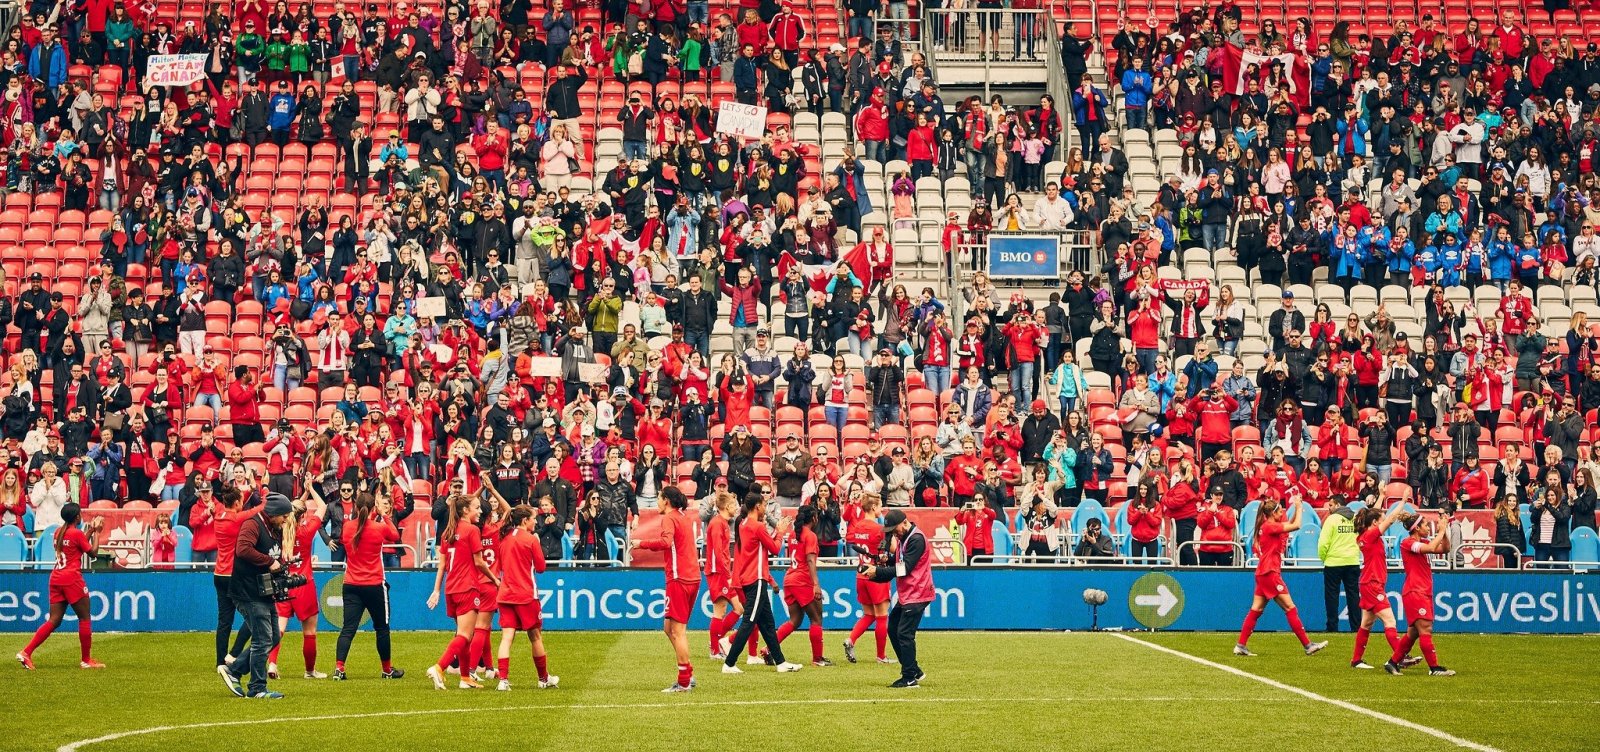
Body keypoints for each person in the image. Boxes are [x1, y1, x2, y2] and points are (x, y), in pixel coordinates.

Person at [218, 493, 294, 700]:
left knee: (274, 636)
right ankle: (257, 688)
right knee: (262, 639)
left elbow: (272, 556)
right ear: (273, 513)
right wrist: (269, 561)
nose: (286, 520)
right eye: (284, 516)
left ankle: (234, 670)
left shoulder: (273, 528)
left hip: (264, 592)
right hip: (247, 591)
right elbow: (242, 549)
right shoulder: (252, 525)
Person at [1233, 498, 1328, 657]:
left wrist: (1295, 511)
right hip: (1270, 573)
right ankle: (1308, 645)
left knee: (1256, 609)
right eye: (1280, 511)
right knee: (1290, 607)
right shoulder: (1270, 527)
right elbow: (1296, 525)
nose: (1282, 513)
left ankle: (1240, 645)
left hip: (1262, 573)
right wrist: (1298, 508)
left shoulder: (1267, 526)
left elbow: (1288, 526)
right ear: (1272, 513)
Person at [15, 503, 105, 670]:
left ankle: (26, 652)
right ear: (77, 517)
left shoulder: (58, 532)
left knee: (54, 620)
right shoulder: (75, 533)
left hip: (56, 577)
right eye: (80, 514)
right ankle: (86, 660)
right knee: (84, 618)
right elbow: (93, 553)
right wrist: (98, 533)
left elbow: (76, 543)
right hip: (71, 578)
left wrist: (91, 531)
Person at [721, 492, 802, 674]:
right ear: (757, 506)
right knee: (749, 622)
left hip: (753, 578)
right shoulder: (757, 526)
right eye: (764, 504)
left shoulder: (743, 524)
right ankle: (729, 663)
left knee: (767, 624)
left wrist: (774, 533)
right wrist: (780, 532)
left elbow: (761, 544)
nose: (766, 508)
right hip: (756, 579)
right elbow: (774, 548)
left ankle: (780, 662)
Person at [632, 486, 702, 692]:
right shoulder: (684, 516)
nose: (657, 502)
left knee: (677, 631)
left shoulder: (670, 518)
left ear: (667, 501)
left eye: (660, 498)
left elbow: (665, 541)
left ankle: (683, 682)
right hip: (692, 576)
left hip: (680, 578)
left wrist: (640, 543)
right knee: (668, 628)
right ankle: (687, 673)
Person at [333, 489, 405, 681]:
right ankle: (387, 669)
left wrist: (373, 513)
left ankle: (339, 668)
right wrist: (383, 514)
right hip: (374, 584)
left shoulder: (347, 527)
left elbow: (357, 530)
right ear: (373, 507)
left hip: (351, 583)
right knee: (382, 628)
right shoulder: (378, 528)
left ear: (356, 508)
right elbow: (395, 536)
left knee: (348, 628)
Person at [426, 494, 496, 690]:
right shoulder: (472, 530)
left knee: (465, 635)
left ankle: (465, 678)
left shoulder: (448, 532)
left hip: (451, 589)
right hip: (467, 587)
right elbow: (479, 562)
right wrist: (496, 579)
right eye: (476, 507)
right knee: (465, 635)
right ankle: (439, 667)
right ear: (465, 510)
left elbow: (441, 565)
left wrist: (436, 590)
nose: (480, 511)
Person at [861, 509, 934, 688]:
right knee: (893, 628)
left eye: (895, 529)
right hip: (908, 594)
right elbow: (899, 563)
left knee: (904, 634)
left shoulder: (916, 539)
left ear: (904, 522)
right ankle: (913, 669)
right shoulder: (905, 538)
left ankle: (909, 677)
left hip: (917, 593)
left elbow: (905, 568)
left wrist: (878, 571)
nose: (894, 533)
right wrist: (881, 566)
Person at [494, 506, 558, 691]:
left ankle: (503, 680)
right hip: (526, 595)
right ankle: (543, 679)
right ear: (524, 521)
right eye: (532, 518)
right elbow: (541, 567)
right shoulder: (530, 539)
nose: (535, 522)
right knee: (536, 637)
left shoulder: (504, 538)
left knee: (506, 638)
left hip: (506, 594)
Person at [268, 490, 327, 680]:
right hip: (303, 583)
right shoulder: (307, 530)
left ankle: (272, 664)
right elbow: (323, 507)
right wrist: (310, 489)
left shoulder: (279, 531)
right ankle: (310, 671)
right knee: (309, 632)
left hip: (283, 582)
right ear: (303, 515)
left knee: (279, 628)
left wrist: (301, 495)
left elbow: (293, 511)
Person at [1390, 513, 1455, 676]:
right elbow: (1432, 548)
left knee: (1413, 633)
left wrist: (1444, 532)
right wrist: (1440, 531)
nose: (1428, 528)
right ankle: (1434, 668)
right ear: (1417, 528)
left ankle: (1392, 663)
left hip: (1422, 591)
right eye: (1426, 525)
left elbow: (1445, 549)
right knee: (1426, 628)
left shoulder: (1423, 541)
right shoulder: (1408, 543)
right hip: (1415, 591)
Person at [771, 505, 832, 667]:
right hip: (802, 580)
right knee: (816, 619)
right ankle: (817, 659)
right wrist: (816, 584)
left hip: (790, 579)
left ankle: (769, 649)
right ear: (814, 518)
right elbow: (811, 560)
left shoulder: (793, 534)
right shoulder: (810, 535)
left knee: (795, 620)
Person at [1350, 505, 1407, 671]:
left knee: (1366, 624)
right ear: (1374, 523)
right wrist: (1402, 501)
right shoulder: (1370, 534)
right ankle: (1400, 656)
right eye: (1379, 521)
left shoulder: (1364, 536)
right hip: (1372, 584)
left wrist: (1381, 496)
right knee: (1390, 620)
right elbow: (1389, 520)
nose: (1383, 522)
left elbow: (1380, 516)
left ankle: (1356, 660)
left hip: (1369, 583)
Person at [843, 493, 891, 663]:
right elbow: (889, 548)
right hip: (876, 574)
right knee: (882, 616)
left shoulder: (857, 527)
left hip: (861, 574)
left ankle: (851, 639)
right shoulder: (879, 529)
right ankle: (881, 656)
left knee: (868, 614)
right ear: (873, 507)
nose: (882, 509)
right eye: (880, 506)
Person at [703, 492, 746, 660]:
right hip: (718, 572)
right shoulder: (717, 524)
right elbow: (717, 552)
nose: (736, 508)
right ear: (727, 507)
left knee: (730, 609)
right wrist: (726, 574)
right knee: (727, 610)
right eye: (734, 505)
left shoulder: (722, 523)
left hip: (720, 571)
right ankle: (716, 646)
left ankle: (716, 644)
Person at [1317, 501, 1360, 633]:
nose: (1329, 508)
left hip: (1333, 562)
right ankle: (1356, 627)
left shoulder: (1332, 519)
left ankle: (1332, 627)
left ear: (1337, 505)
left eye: (1330, 505)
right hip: (1352, 561)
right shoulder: (1355, 518)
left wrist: (1324, 558)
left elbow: (1323, 542)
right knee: (1353, 596)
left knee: (1332, 596)